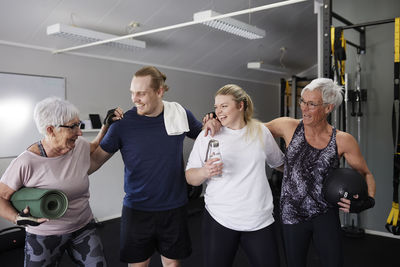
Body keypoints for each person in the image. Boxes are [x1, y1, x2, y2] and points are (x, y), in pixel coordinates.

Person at [90, 66, 219, 267]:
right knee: (139, 265)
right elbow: (94, 161)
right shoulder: (121, 125)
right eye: (132, 93)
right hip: (137, 209)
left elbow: (205, 135)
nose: (135, 99)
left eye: (141, 93)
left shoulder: (179, 114)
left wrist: (213, 121)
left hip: (173, 207)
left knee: (171, 264)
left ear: (160, 91)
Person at [265, 78, 376, 267]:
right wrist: (217, 119)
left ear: (328, 108)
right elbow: (249, 130)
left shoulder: (342, 140)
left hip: (325, 214)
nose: (304, 108)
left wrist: (368, 200)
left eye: (311, 104)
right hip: (291, 213)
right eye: (303, 101)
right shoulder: (288, 126)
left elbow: (366, 173)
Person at [0, 97, 123, 266]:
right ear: (51, 129)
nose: (79, 132)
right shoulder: (26, 162)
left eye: (79, 124)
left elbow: (94, 147)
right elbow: (1, 197)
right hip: (44, 235)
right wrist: (16, 218)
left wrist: (106, 126)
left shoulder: (77, 145)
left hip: (83, 228)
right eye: (73, 126)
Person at [185, 84, 284, 267]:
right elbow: (190, 177)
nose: (218, 112)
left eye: (224, 106)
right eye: (216, 107)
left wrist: (308, 169)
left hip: (259, 220)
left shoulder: (261, 132)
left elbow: (279, 163)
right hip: (220, 218)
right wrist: (204, 172)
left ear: (240, 106)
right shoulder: (208, 135)